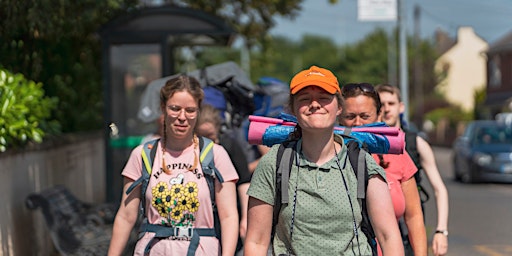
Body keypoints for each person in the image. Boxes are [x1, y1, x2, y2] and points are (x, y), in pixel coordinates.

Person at [244, 66, 404, 256]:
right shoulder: (275, 162)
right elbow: (256, 242)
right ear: (293, 110)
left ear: (339, 108)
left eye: (324, 97)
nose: (315, 104)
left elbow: (388, 237)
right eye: (305, 99)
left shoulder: (361, 163)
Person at [108, 75, 239, 256]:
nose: (182, 117)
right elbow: (126, 216)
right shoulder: (143, 155)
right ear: (163, 109)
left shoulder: (215, 154)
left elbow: (229, 216)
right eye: (175, 109)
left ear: (198, 111)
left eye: (190, 110)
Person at [338, 82, 427, 256]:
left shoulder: (398, 156)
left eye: (365, 116)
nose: (357, 124)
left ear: (379, 116)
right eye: (350, 116)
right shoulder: (327, 155)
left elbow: (414, 216)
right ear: (339, 116)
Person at [375, 84, 449, 256]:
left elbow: (440, 189)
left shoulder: (417, 143)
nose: (386, 109)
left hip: (411, 227)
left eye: (391, 104)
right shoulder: (370, 144)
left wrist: (441, 231)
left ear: (401, 107)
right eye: (382, 104)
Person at [195, 104, 252, 254]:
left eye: (211, 137)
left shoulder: (228, 145)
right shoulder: (188, 152)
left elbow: (244, 181)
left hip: (229, 213)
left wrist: (246, 218)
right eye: (201, 137)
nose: (208, 144)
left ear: (218, 131)